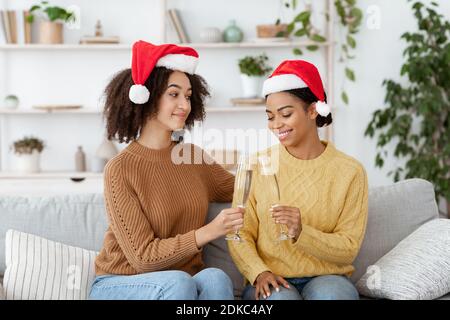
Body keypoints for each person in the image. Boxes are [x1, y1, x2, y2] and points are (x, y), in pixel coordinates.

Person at [89, 40, 243, 300]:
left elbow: (244, 187)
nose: (185, 104)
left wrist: (283, 162)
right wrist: (209, 231)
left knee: (215, 277)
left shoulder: (192, 157)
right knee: (179, 283)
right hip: (120, 283)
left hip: (179, 281)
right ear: (147, 96)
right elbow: (142, 258)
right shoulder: (119, 169)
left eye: (188, 95)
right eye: (174, 94)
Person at [228, 60, 368, 300]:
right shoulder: (254, 165)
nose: (276, 124)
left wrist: (302, 232)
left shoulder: (350, 172)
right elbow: (238, 234)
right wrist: (258, 272)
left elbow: (348, 248)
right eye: (270, 117)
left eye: (286, 114)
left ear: (312, 110)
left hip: (328, 278)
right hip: (269, 276)